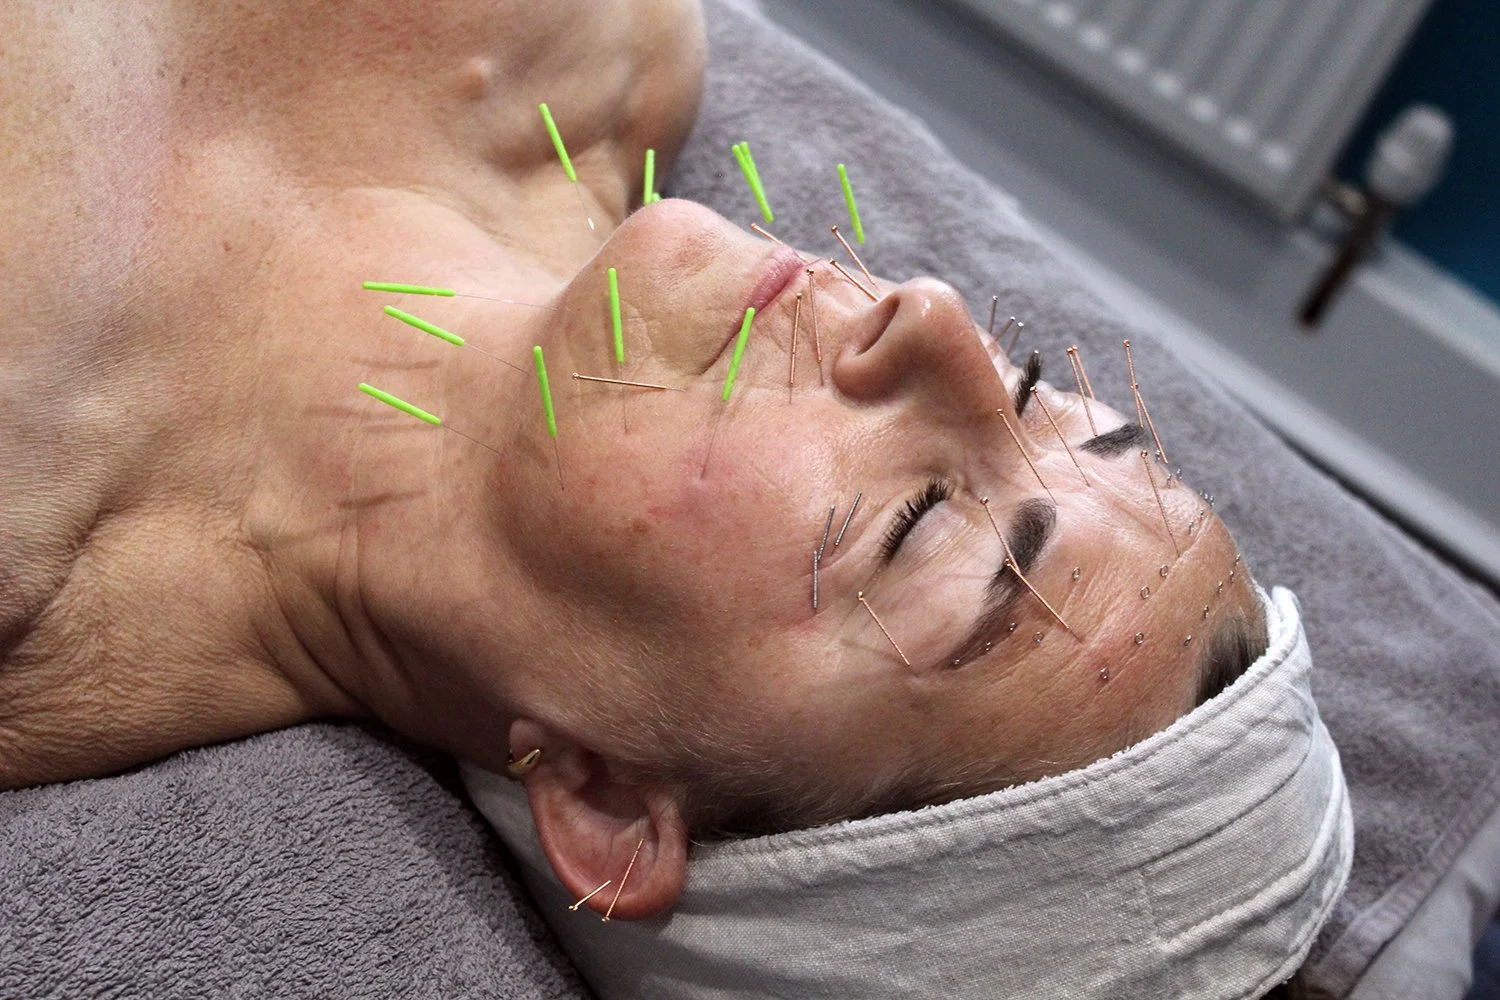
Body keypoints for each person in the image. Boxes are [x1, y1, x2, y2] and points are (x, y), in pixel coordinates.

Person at [0, 2, 1342, 995]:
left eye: (919, 523)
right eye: (1039, 391)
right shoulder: (609, 44)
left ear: (602, 796)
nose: (925, 319)